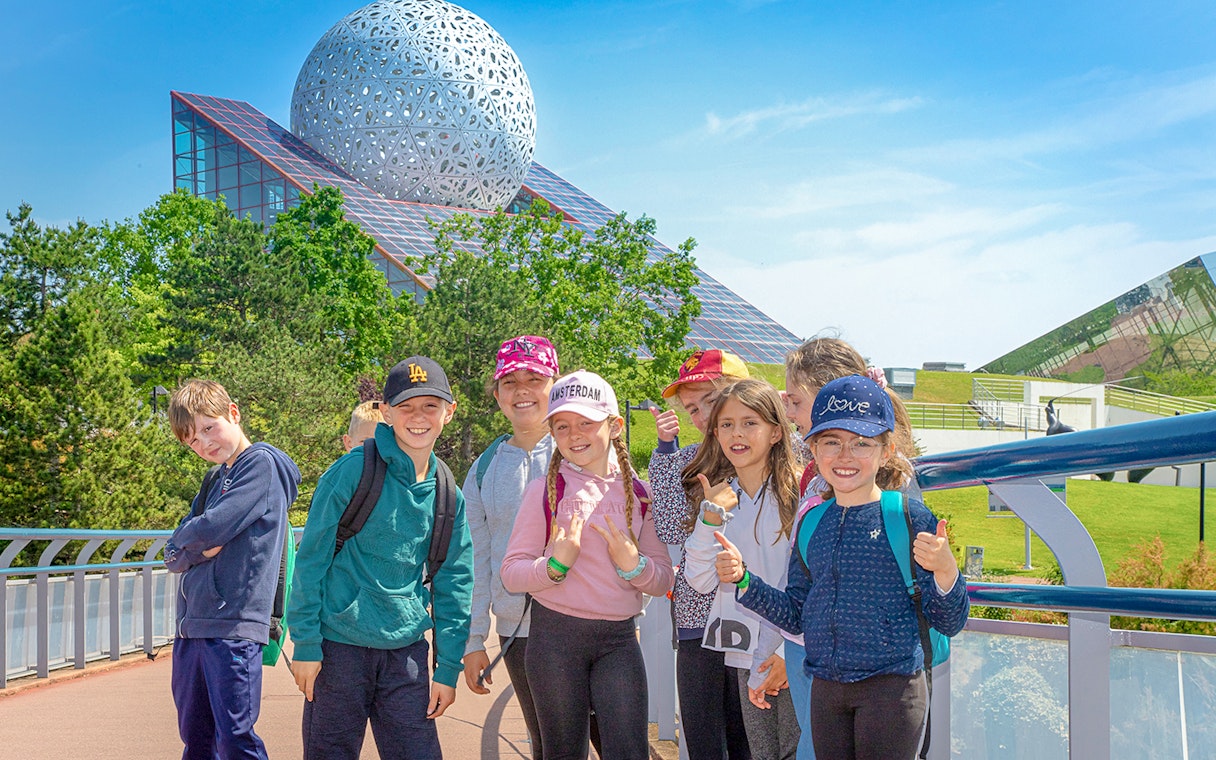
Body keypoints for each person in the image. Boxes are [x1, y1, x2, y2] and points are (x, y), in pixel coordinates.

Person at [713, 375, 969, 759]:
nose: (845, 456)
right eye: (831, 442)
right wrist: (745, 580)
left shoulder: (907, 516)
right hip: (826, 689)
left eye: (862, 443)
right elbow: (797, 615)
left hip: (893, 690)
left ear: (887, 450)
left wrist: (947, 572)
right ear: (813, 449)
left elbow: (949, 621)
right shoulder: (813, 520)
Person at [288, 356, 474, 760]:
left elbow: (454, 581)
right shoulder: (352, 471)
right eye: (405, 407)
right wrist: (304, 643)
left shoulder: (447, 492)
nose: (418, 417)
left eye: (430, 405)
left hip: (406, 654)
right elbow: (310, 562)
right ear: (386, 412)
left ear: (449, 411)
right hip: (339, 649)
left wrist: (448, 667)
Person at [501, 370, 675, 760]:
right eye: (562, 426)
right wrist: (554, 567)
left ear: (614, 426)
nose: (574, 434)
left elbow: (662, 577)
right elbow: (512, 571)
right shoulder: (546, 490)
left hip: (618, 642)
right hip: (554, 642)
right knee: (563, 752)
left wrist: (634, 567)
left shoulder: (641, 494)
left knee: (630, 751)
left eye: (585, 423)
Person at [163, 379, 301, 760]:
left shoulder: (261, 464)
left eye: (210, 428)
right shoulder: (214, 478)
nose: (205, 444)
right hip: (192, 625)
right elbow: (172, 551)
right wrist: (196, 551)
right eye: (193, 441)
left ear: (234, 413)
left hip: (233, 626)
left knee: (235, 738)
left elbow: (212, 526)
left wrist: (190, 543)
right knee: (197, 738)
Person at [681, 379, 801, 760]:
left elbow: (812, 582)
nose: (737, 433)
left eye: (750, 423)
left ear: (776, 432)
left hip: (792, 655)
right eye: (727, 424)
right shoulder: (718, 499)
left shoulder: (801, 495)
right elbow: (698, 580)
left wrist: (786, 650)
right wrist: (709, 518)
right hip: (743, 654)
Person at [648, 349, 753, 760]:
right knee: (706, 739)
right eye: (692, 408)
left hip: (759, 623)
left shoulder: (780, 454)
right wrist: (665, 450)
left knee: (752, 741)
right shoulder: (688, 460)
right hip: (698, 623)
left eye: (710, 400)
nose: (701, 416)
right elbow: (670, 526)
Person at [462, 335, 561, 760]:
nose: (522, 391)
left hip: (584, 624)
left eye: (534, 378)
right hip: (517, 633)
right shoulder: (485, 467)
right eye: (510, 381)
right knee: (545, 740)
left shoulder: (580, 450)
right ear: (497, 392)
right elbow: (474, 560)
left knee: (603, 737)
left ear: (554, 383)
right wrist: (472, 640)